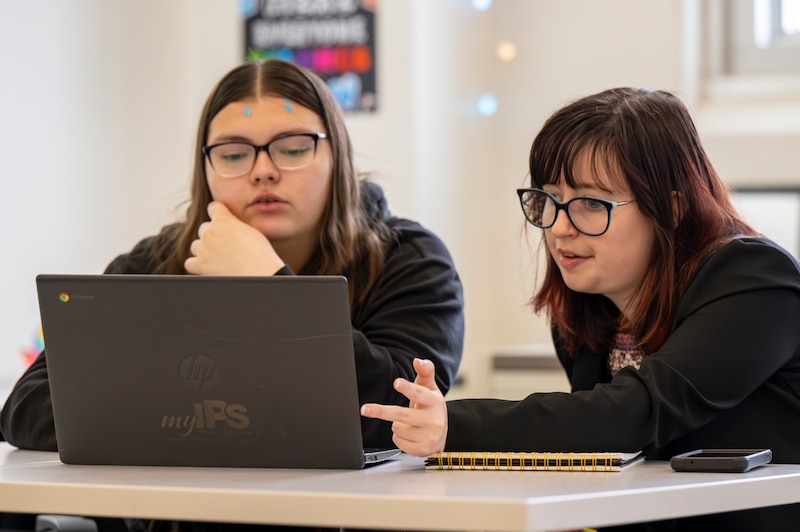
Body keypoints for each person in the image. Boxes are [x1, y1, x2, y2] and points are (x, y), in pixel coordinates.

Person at [362, 87, 800, 531]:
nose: (559, 228)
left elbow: (634, 414)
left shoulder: (756, 278)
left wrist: (452, 426)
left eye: (592, 203)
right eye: (549, 200)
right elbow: (608, 461)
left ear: (672, 207)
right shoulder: (588, 306)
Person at [0, 58, 464, 456]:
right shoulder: (156, 264)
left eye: (294, 148)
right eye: (234, 153)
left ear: (336, 156)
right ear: (206, 167)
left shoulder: (411, 261)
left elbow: (399, 416)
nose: (263, 171)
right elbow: (30, 409)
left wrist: (269, 287)